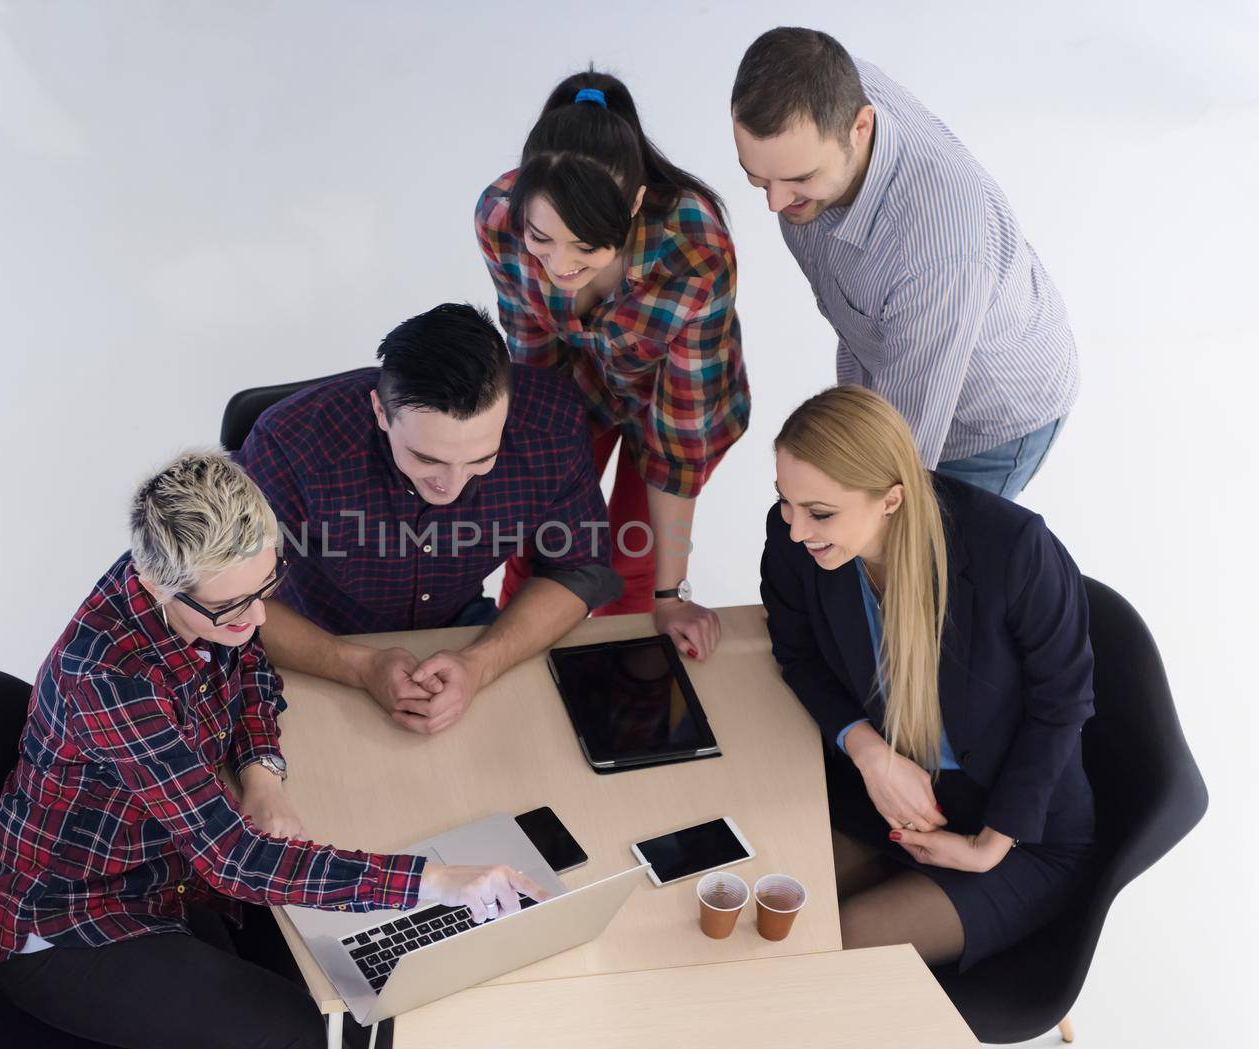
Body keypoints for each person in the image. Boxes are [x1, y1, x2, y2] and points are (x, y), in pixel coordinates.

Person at [0, 451, 545, 1049]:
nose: (260, 618)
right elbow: (234, 858)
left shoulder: (200, 595)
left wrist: (260, 771)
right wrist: (436, 879)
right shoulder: (107, 681)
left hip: (169, 875)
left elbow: (248, 669)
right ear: (155, 580)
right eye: (232, 608)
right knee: (303, 1033)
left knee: (354, 993)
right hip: (73, 922)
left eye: (266, 588)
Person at [759, 386, 1095, 971]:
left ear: (890, 499)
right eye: (786, 501)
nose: (794, 530)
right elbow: (798, 654)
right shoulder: (797, 541)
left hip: (1017, 834)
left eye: (820, 513)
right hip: (883, 802)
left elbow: (1061, 704)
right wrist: (868, 752)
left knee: (836, 950)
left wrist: (989, 846)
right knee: (767, 905)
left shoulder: (1014, 549)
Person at [235, 303, 621, 735]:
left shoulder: (552, 423)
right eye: (426, 458)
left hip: (461, 627)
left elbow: (578, 570)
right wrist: (358, 667)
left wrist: (481, 664)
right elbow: (234, 599)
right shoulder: (291, 443)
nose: (451, 487)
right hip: (318, 639)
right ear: (381, 412)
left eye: (481, 459)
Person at [731, 28, 1078, 499]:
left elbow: (897, 456)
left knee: (922, 563)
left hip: (990, 421)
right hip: (898, 363)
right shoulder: (825, 84)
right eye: (756, 177)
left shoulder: (932, 258)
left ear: (860, 128)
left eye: (799, 179)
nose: (774, 203)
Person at [476, 68, 749, 660]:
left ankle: (617, 703)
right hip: (576, 384)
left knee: (630, 569)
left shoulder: (695, 249)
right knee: (540, 548)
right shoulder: (499, 221)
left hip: (674, 399)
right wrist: (540, 477)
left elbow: (679, 436)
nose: (559, 264)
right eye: (542, 238)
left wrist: (671, 595)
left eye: (587, 245)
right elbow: (533, 362)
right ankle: (511, 688)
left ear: (634, 204)